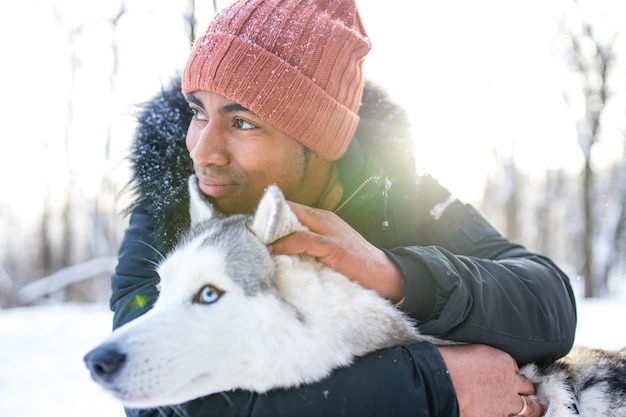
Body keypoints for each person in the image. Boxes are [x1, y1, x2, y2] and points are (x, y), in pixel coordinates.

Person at [110, 0, 577, 416]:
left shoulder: (397, 189)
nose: (203, 151)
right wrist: (433, 385)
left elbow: (549, 306)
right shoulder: (177, 204)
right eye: (197, 112)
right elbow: (164, 402)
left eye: (244, 122)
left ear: (322, 139)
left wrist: (396, 274)